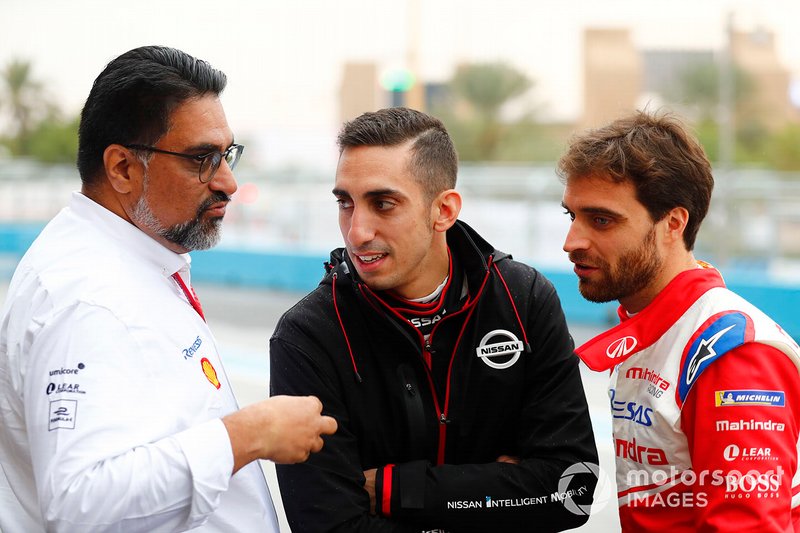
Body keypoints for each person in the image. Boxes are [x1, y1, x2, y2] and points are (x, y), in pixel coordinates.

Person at [0, 45, 337, 533]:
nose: (228, 182)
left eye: (227, 155)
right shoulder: (87, 298)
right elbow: (80, 503)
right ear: (122, 168)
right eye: (201, 158)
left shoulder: (131, 261)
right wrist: (248, 436)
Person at [270, 107, 598, 532]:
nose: (357, 232)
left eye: (383, 204)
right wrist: (500, 496)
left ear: (444, 210)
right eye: (346, 203)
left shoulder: (523, 298)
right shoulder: (307, 335)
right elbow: (329, 526)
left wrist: (394, 488)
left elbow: (573, 490)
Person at [559, 110, 800, 531]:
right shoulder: (655, 327)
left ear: (673, 223)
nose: (572, 242)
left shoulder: (731, 353)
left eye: (601, 220)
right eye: (571, 216)